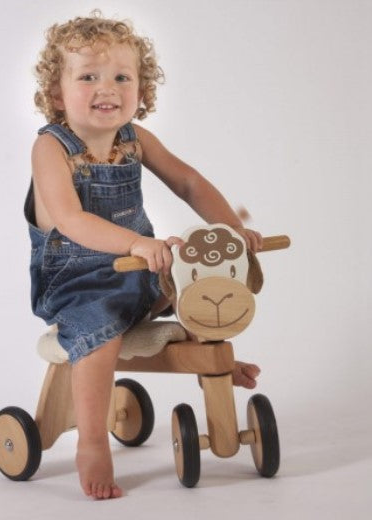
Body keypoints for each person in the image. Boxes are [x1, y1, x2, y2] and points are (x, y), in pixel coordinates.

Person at [25, 12, 263, 500]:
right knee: (99, 335)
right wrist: (136, 243)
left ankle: (214, 359)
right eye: (87, 76)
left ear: (141, 90)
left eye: (120, 77)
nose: (105, 87)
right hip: (79, 283)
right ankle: (91, 441)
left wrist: (231, 230)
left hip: (142, 274)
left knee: (202, 280)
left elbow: (189, 182)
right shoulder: (51, 149)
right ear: (56, 93)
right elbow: (70, 219)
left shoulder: (135, 140)